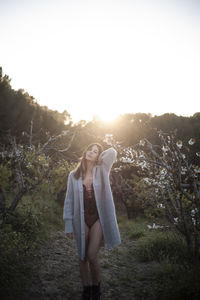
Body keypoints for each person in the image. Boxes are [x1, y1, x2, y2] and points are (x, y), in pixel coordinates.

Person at [63, 142, 121, 300]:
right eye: (89, 149)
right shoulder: (73, 175)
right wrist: (68, 225)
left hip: (98, 218)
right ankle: (86, 288)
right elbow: (68, 201)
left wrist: (100, 153)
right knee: (82, 256)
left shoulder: (102, 171)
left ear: (98, 157)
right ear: (85, 151)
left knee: (92, 255)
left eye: (95, 152)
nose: (91, 152)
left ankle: (96, 286)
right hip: (80, 219)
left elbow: (112, 152)